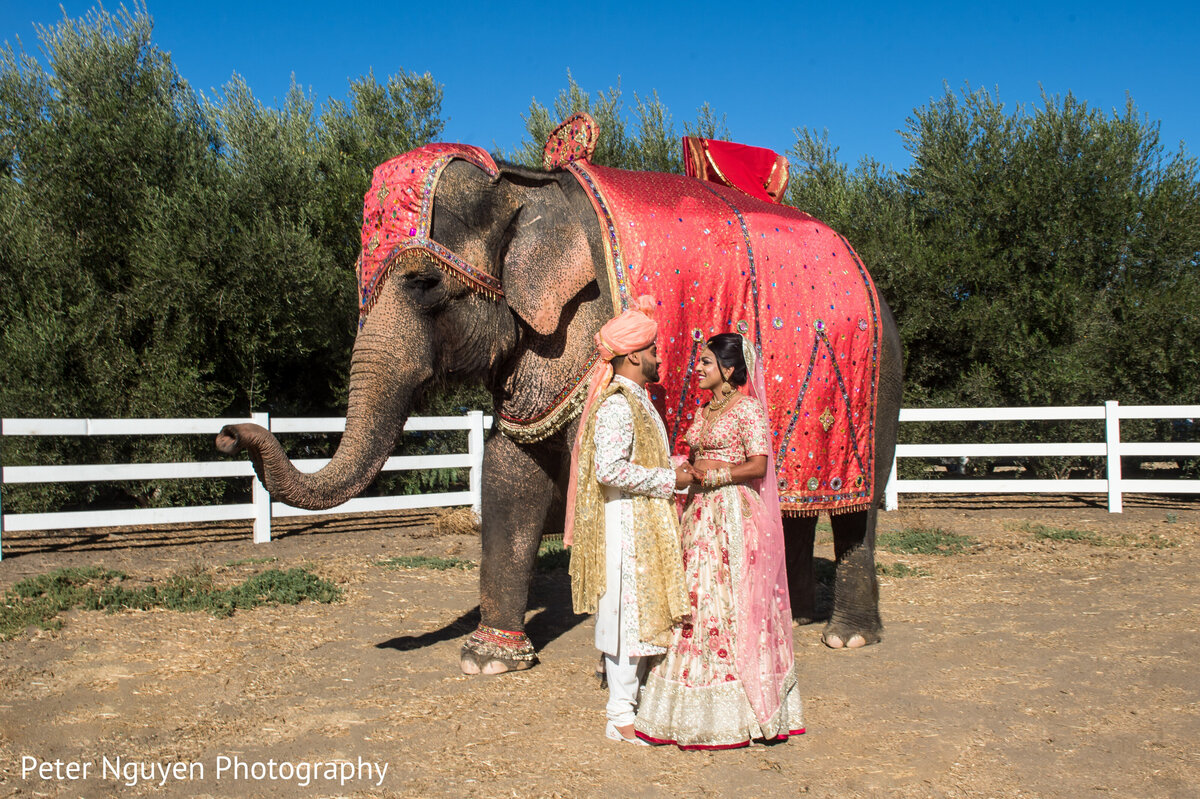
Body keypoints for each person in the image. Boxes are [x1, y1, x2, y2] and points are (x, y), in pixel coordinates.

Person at [635, 333, 804, 749]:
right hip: (698, 513)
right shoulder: (706, 410)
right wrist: (684, 470)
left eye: (707, 362)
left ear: (728, 370)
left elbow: (758, 466)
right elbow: (696, 458)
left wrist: (717, 476)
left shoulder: (746, 409)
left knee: (729, 600)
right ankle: (687, 705)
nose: (699, 368)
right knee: (695, 598)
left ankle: (743, 707)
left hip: (731, 514)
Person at [565, 295, 695, 745]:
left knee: (641, 615)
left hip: (641, 521)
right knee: (627, 618)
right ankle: (619, 714)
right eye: (655, 351)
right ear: (635, 355)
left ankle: (629, 707)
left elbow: (637, 459)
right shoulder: (619, 404)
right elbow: (609, 469)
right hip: (624, 527)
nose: (660, 358)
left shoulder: (637, 400)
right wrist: (668, 479)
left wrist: (677, 466)